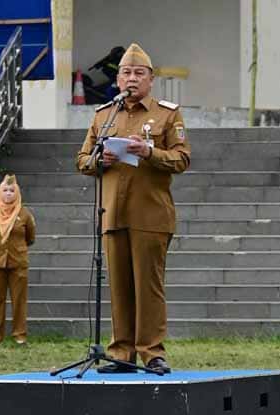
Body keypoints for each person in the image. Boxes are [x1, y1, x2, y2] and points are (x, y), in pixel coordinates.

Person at [76, 43, 191, 374]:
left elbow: (182, 158)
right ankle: (121, 352)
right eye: (126, 72)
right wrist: (101, 159)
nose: (131, 78)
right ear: (118, 78)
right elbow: (82, 159)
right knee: (119, 287)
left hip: (151, 215)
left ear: (151, 79)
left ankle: (151, 352)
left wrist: (149, 152)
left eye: (139, 73)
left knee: (148, 288)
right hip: (113, 213)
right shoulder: (104, 115)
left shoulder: (167, 114)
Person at [0, 174, 36, 345]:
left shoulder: (25, 214)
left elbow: (30, 238)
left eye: (12, 190)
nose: (8, 193)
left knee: (19, 300)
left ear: (17, 193)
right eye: (5, 190)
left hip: (17, 262)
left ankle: (20, 335)